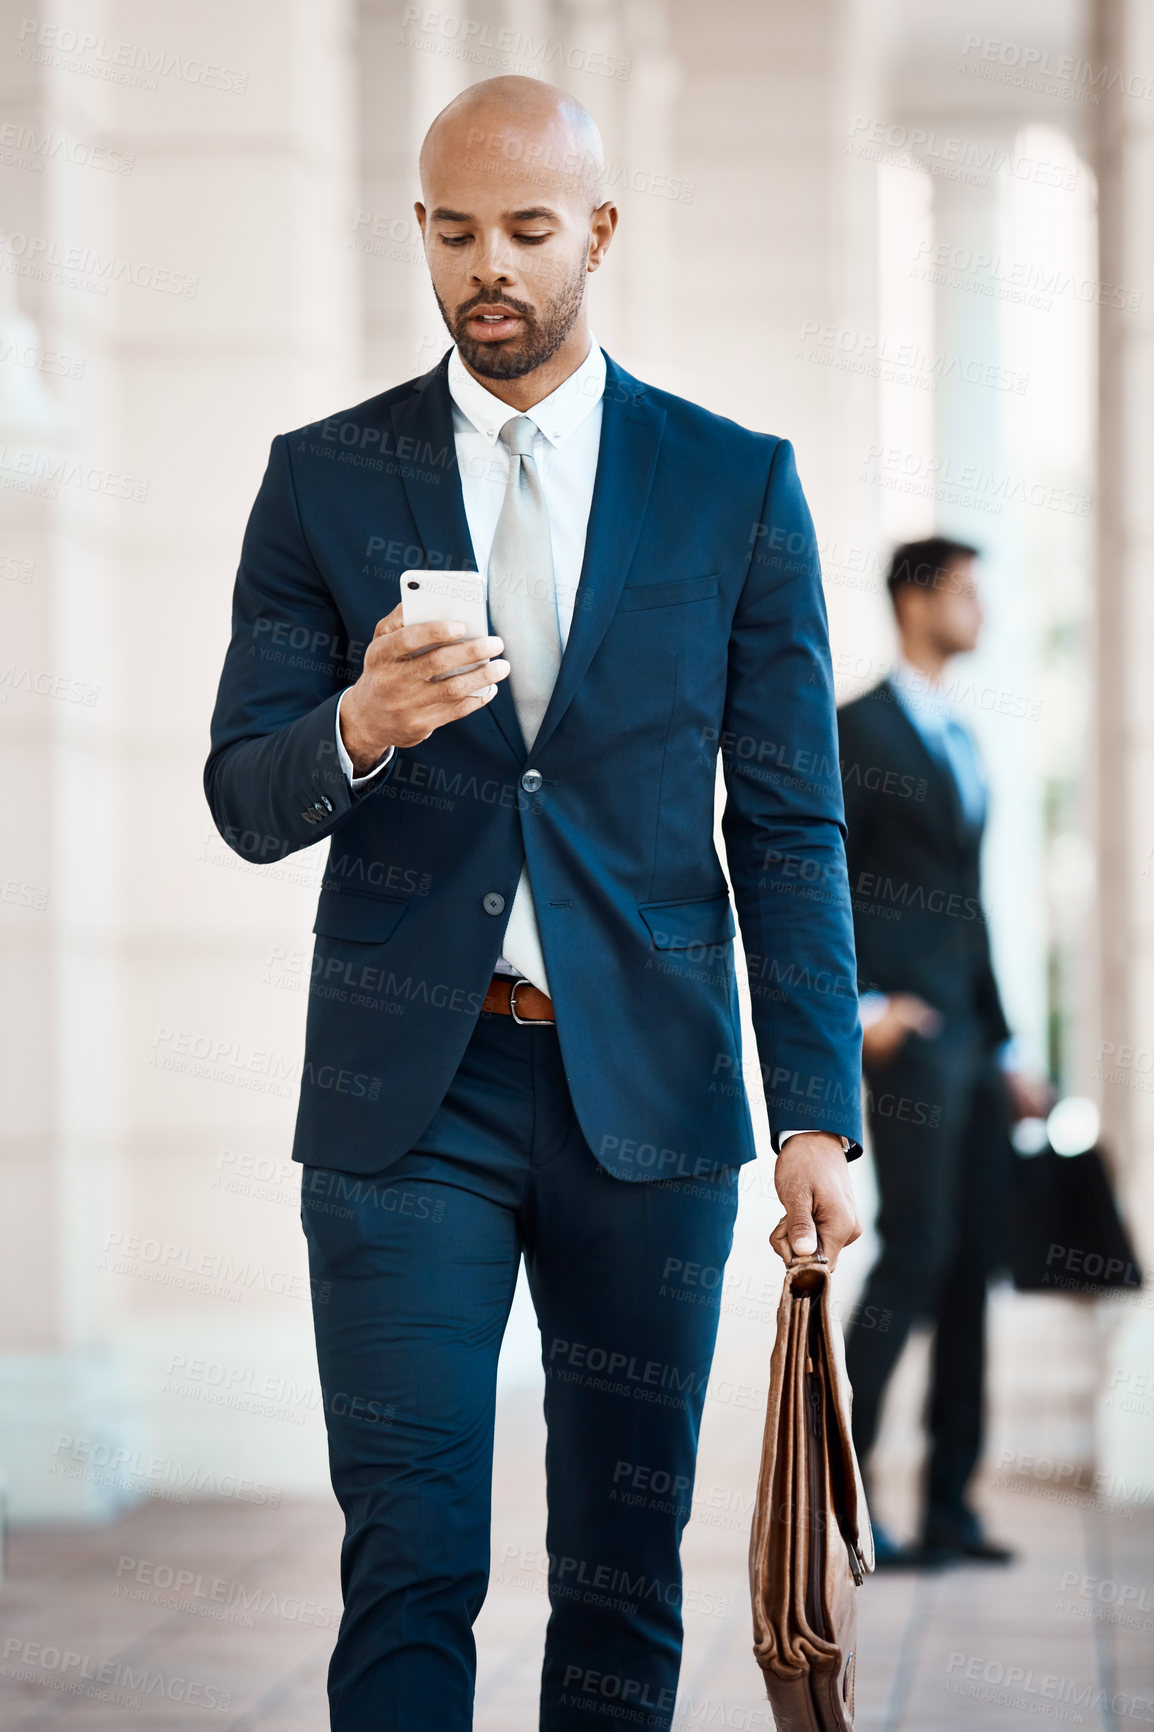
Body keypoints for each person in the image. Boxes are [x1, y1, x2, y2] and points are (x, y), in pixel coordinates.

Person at [205, 75, 864, 1732]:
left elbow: (785, 827)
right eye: (448, 232)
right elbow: (241, 794)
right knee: (408, 1554)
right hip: (400, 1105)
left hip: (640, 1099)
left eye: (520, 230)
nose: (482, 267)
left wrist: (814, 1118)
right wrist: (357, 726)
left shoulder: (733, 486)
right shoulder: (321, 483)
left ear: (596, 233)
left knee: (621, 1574)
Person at [838, 536, 1049, 1569]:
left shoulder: (962, 738)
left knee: (971, 1262)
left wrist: (1008, 1045)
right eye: (967, 592)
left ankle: (950, 1505)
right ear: (913, 598)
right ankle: (850, 1493)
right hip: (908, 1035)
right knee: (912, 1253)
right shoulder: (855, 728)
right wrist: (862, 1004)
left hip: (971, 1042)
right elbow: (810, 873)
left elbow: (967, 911)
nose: (981, 612)